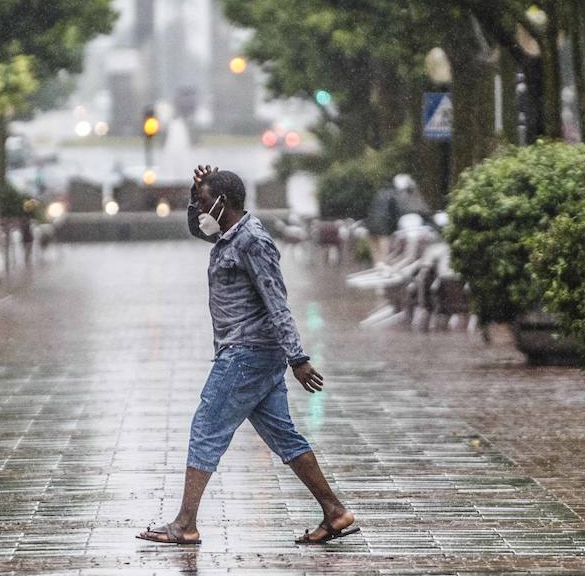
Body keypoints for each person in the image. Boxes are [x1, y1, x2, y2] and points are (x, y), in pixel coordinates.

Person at [137, 165, 359, 546]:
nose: (201, 210)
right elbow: (196, 228)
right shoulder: (227, 235)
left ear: (224, 202)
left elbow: (277, 303)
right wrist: (194, 192)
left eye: (205, 202)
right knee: (284, 437)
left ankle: (185, 524)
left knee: (206, 428)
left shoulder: (252, 241)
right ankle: (335, 512)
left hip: (247, 353)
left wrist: (298, 358)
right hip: (255, 355)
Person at [365, 182, 399, 266]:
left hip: (371, 223)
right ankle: (383, 269)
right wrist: (394, 228)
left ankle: (376, 267)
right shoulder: (394, 195)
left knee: (375, 252)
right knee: (383, 255)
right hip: (383, 226)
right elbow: (395, 213)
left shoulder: (378, 194)